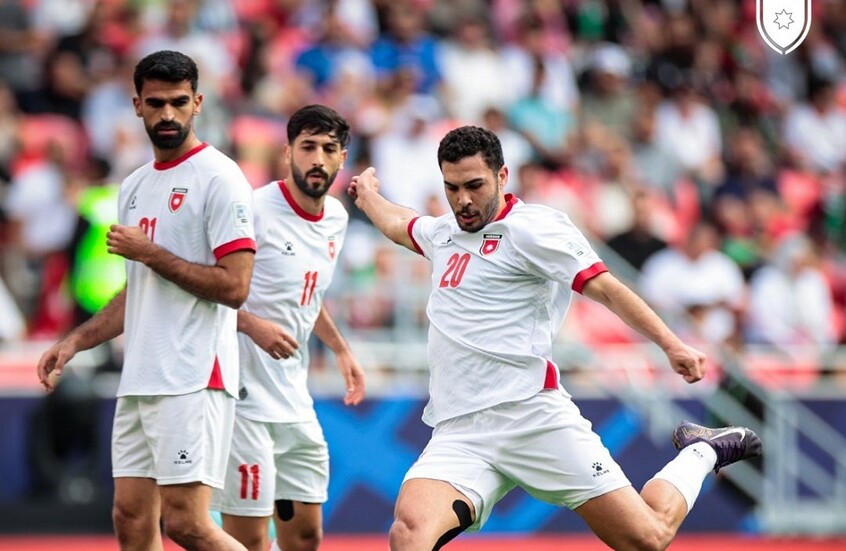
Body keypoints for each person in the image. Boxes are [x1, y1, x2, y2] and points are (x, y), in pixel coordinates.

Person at [347, 125, 762, 551]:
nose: (463, 200)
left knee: (648, 537)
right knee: (408, 535)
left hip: (533, 416)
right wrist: (368, 195)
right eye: (452, 188)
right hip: (460, 429)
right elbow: (399, 223)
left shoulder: (535, 229)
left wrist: (671, 344)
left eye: (475, 185)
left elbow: (605, 288)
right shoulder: (443, 234)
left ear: (503, 177)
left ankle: (702, 451)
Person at [36, 50, 256, 551]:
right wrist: (75, 342)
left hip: (193, 374)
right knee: (131, 520)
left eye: (179, 102)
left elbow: (234, 286)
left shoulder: (220, 179)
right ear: (136, 105)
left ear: (198, 103)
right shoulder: (134, 186)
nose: (168, 115)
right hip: (142, 373)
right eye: (156, 103)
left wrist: (152, 253)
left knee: (186, 523)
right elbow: (138, 288)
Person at [211, 104, 366, 551]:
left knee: (306, 537)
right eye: (308, 147)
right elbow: (204, 288)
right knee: (251, 541)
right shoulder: (251, 210)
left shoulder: (336, 218)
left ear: (341, 159)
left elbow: (306, 294)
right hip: (245, 403)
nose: (318, 158)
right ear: (287, 153)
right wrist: (252, 325)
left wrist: (339, 348)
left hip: (294, 399)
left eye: (329, 149)